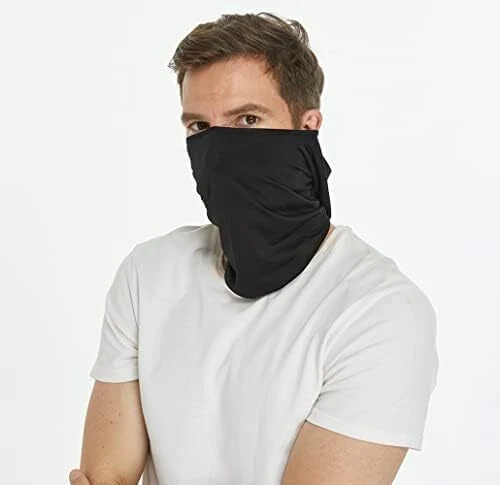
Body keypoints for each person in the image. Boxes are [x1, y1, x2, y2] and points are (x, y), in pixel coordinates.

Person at [70, 12, 439, 485]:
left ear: (307, 127)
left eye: (247, 119)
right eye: (199, 126)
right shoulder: (149, 275)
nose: (219, 149)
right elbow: (106, 476)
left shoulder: (380, 312)